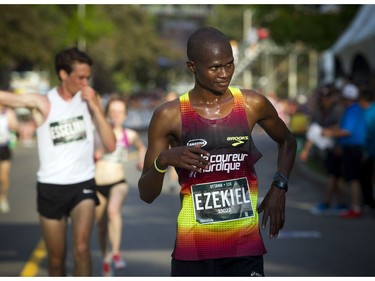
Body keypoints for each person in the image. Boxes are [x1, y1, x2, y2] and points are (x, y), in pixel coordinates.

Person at [138, 27, 297, 277]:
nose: (224, 74)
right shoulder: (169, 115)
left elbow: (287, 140)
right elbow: (146, 194)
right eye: (214, 68)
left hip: (244, 245)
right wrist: (163, 160)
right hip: (194, 248)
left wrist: (280, 185)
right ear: (192, 67)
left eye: (229, 65)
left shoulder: (251, 104)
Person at [0, 47, 116, 276]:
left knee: (82, 248)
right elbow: (8, 98)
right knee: (56, 259)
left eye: (88, 77)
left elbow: (111, 145)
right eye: (80, 77)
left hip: (82, 183)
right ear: (63, 74)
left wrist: (95, 107)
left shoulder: (91, 100)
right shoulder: (43, 102)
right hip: (50, 187)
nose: (85, 83)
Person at [94, 95, 146, 276]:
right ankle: (106, 257)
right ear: (107, 114)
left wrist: (141, 159)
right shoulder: (97, 132)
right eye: (113, 112)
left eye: (120, 112)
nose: (116, 115)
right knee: (101, 228)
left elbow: (141, 146)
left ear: (125, 116)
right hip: (97, 185)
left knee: (113, 211)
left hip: (118, 183)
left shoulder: (128, 134)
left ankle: (116, 252)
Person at [300, 85, 347, 215]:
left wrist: (330, 133)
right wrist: (306, 150)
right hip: (328, 147)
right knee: (336, 176)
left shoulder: (338, 110)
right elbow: (313, 133)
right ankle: (341, 203)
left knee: (334, 176)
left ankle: (328, 202)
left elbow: (341, 128)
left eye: (327, 98)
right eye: (323, 98)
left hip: (339, 146)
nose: (325, 100)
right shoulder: (319, 112)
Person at [322, 83, 366, 218]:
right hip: (351, 147)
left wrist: (329, 133)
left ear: (347, 98)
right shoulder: (355, 109)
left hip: (353, 148)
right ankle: (355, 206)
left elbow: (347, 131)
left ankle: (356, 207)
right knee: (351, 178)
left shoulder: (352, 111)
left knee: (352, 179)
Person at [358, 86, 375, 209]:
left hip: (370, 152)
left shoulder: (368, 113)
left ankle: (369, 202)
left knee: (366, 178)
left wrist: (365, 154)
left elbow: (367, 134)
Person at [0, 104, 19, 213]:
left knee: (4, 177)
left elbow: (16, 127)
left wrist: (13, 124)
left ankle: (3, 199)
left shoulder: (8, 112)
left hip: (4, 147)